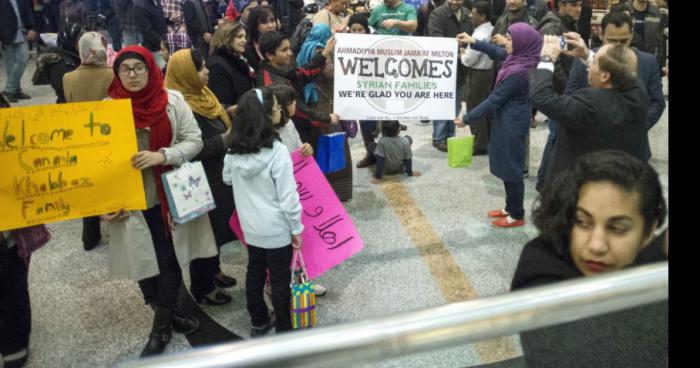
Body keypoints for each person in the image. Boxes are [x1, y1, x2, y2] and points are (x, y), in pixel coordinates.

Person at [102, 46, 217, 357]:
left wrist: (163, 155)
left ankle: (161, 325)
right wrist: (104, 204)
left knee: (168, 260)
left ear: (151, 69)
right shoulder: (106, 109)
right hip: (129, 201)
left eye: (138, 67)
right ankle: (165, 311)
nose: (132, 74)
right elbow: (95, 162)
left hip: (167, 195)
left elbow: (194, 141)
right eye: (124, 69)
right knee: (143, 262)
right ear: (117, 73)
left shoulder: (172, 101)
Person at [511, 149, 667, 367]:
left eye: (618, 228)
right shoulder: (541, 262)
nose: (596, 245)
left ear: (649, 232)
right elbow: (570, 355)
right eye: (582, 222)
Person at [222, 87, 303, 337]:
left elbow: (226, 179)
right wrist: (296, 228)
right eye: (276, 107)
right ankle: (284, 329)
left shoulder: (233, 151)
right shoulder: (277, 152)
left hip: (251, 227)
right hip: (277, 229)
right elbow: (288, 198)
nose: (279, 110)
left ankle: (258, 321)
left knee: (254, 272)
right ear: (265, 116)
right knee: (279, 281)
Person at [164, 48, 239, 305]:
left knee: (216, 228)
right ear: (186, 74)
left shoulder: (203, 94)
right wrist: (223, 140)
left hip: (216, 172)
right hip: (197, 179)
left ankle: (214, 270)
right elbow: (187, 147)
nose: (206, 72)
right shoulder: (178, 104)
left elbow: (217, 117)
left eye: (204, 66)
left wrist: (230, 112)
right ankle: (203, 287)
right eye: (199, 68)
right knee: (203, 232)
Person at [530, 32, 650, 185]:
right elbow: (618, 70)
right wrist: (586, 54)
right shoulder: (639, 92)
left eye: (593, 64)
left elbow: (541, 96)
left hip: (583, 186)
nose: (589, 67)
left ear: (605, 76)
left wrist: (546, 59)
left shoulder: (590, 104)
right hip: (622, 184)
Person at [455, 23, 543, 228]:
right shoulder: (520, 57)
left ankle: (517, 215)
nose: (506, 42)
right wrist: (473, 41)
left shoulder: (519, 72)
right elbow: (497, 51)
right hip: (505, 118)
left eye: (511, 39)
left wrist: (466, 119)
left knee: (511, 167)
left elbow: (494, 100)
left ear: (523, 43)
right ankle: (509, 206)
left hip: (512, 121)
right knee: (505, 162)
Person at [565, 11, 665, 163]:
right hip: (591, 149)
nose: (617, 47)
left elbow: (657, 102)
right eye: (611, 41)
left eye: (623, 41)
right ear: (601, 34)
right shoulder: (583, 59)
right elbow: (570, 97)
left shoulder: (648, 62)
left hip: (633, 151)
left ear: (631, 35)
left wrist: (638, 126)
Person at [63, 31, 115, 251]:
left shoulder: (68, 78)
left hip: (82, 136)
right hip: (109, 134)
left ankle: (90, 236)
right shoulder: (112, 74)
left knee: (89, 185)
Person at [256, 30, 338, 146]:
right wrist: (325, 118)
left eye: (289, 48)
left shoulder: (281, 68)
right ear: (270, 55)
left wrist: (324, 54)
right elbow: (297, 109)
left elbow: (302, 73)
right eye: (284, 50)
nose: (290, 53)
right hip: (287, 135)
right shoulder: (271, 82)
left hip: (297, 128)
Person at [534, 0, 582, 191]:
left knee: (557, 135)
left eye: (580, 5)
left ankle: (547, 179)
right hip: (558, 90)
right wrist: (567, 90)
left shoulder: (566, 22)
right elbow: (554, 64)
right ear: (561, 5)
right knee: (556, 135)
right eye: (573, 5)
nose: (578, 9)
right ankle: (545, 181)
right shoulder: (553, 26)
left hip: (564, 88)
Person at [428, 0, 473, 152]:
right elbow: (435, 39)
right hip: (443, 67)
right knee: (442, 101)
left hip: (461, 65)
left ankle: (449, 135)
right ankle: (439, 138)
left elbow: (472, 36)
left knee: (456, 102)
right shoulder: (437, 14)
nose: (454, 1)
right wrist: (458, 46)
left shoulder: (467, 14)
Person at [460, 0, 494, 155]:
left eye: (474, 13)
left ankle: (480, 144)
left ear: (483, 16)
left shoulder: (480, 34)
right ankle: (486, 140)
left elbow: (469, 59)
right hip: (488, 73)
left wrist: (462, 55)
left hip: (478, 74)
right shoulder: (490, 29)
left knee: (474, 107)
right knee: (484, 107)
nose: (470, 16)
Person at [207, 20, 256, 109]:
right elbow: (223, 103)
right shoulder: (217, 65)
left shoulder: (239, 59)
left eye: (245, 37)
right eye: (239, 37)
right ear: (227, 37)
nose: (244, 40)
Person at [35, 22, 83, 104]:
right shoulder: (62, 67)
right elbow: (66, 94)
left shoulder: (72, 58)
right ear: (71, 41)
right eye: (80, 40)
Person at [0, 0, 37, 103]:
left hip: (21, 33)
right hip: (5, 35)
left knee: (23, 59)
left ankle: (8, 89)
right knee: (10, 65)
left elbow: (28, 12)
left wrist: (31, 28)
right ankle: (16, 90)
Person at [630, 0, 665, 72]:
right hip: (627, 64)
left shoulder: (656, 12)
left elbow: (660, 42)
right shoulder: (624, 10)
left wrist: (656, 63)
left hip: (649, 65)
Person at [133, 0, 168, 70]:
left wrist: (170, 21)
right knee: (161, 71)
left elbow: (159, 20)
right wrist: (162, 42)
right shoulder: (139, 6)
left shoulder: (156, 1)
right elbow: (147, 31)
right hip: (154, 48)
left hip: (163, 45)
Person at [244, 5, 279, 72]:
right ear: (255, 26)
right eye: (264, 22)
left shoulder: (283, 43)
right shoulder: (248, 50)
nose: (270, 26)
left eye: (272, 20)